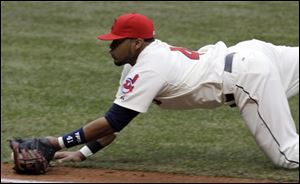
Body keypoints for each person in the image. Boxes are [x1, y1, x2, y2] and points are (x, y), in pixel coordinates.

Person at [48, 13, 299, 169]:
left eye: (116, 42)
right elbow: (114, 126)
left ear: (136, 43)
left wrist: (55, 142)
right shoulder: (139, 64)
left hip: (249, 77)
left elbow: (114, 120)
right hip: (249, 54)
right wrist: (81, 154)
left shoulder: (149, 68)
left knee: (287, 156)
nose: (110, 47)